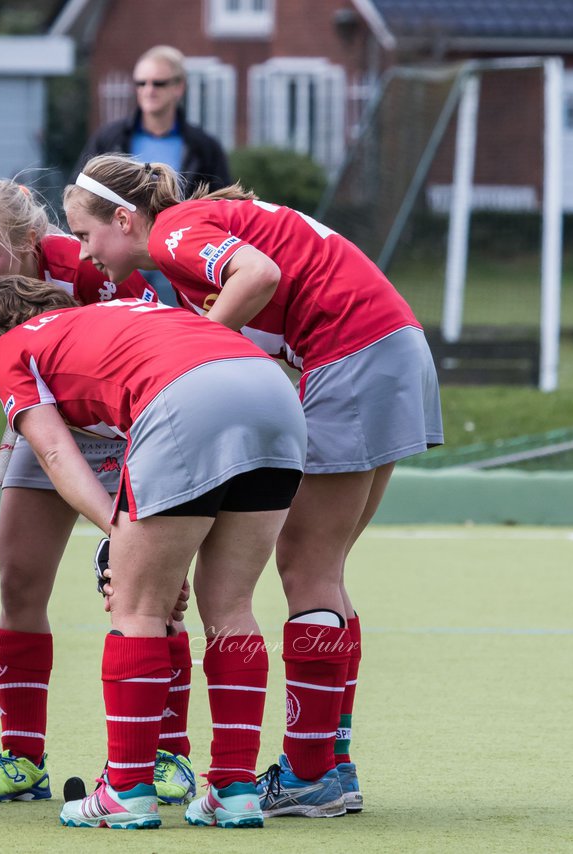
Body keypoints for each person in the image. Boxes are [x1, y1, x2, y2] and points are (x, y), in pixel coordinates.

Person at [64, 154, 444, 818]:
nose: (84, 251)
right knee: (324, 567)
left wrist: (190, 357)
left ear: (124, 219)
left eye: (87, 233)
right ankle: (331, 762)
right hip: (387, 344)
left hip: (352, 351)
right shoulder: (188, 256)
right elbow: (261, 343)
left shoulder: (175, 232)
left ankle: (309, 775)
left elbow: (259, 274)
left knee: (307, 568)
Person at [0, 277, 307, 830]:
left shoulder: (11, 346)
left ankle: (126, 791)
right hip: (273, 391)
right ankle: (234, 791)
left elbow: (52, 449)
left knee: (137, 607)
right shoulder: (113, 315)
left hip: (185, 398)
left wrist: (118, 537)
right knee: (232, 605)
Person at [0, 178, 197, 807]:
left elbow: (157, 357)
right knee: (18, 581)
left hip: (135, 426)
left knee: (151, 593)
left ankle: (168, 754)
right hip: (43, 424)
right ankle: (22, 757)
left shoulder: (94, 264)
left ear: (28, 244)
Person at [73, 45, 229, 197]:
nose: (149, 90)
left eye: (158, 83)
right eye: (141, 83)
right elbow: (80, 194)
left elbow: (223, 204)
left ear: (179, 87)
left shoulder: (204, 147)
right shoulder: (108, 139)